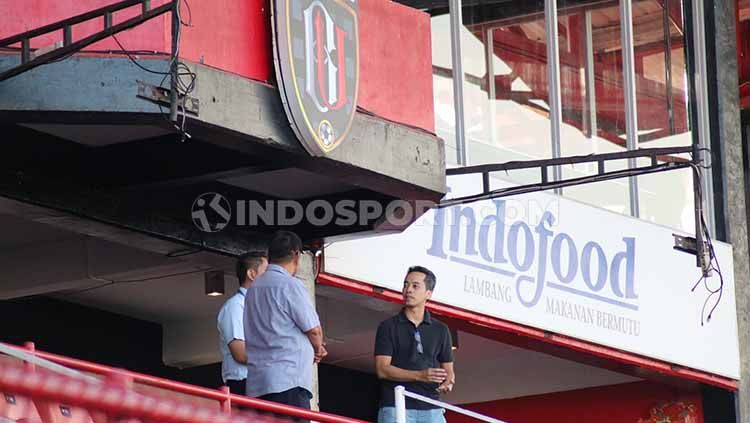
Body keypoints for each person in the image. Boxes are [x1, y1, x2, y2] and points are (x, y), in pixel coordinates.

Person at [244, 231, 327, 410]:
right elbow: (313, 330)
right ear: (296, 254)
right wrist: (318, 348)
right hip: (288, 382)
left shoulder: (253, 288)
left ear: (270, 255)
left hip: (257, 386)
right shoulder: (290, 284)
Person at [374, 266, 455, 423]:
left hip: (432, 406)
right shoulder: (388, 326)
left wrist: (448, 382)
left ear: (428, 294)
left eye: (415, 286)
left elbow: (449, 371)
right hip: (396, 405)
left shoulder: (441, 329)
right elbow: (382, 370)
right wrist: (420, 375)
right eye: (405, 285)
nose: (408, 290)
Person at [217, 251, 269, 395]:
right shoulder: (235, 306)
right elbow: (240, 353)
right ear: (252, 274)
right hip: (244, 384)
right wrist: (277, 358)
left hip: (263, 383)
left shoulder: (262, 307)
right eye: (266, 272)